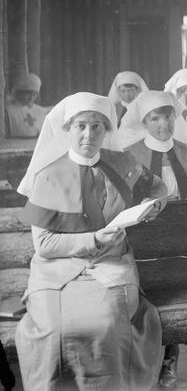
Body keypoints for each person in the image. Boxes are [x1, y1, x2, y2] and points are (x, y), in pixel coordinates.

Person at [14, 92, 167, 390]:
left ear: (107, 130)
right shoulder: (47, 175)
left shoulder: (123, 163)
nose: (89, 134)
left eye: (98, 126)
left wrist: (153, 206)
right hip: (55, 271)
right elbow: (45, 245)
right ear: (67, 129)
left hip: (111, 261)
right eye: (81, 126)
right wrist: (94, 238)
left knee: (109, 323)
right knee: (56, 329)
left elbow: (157, 187)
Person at [116, 90, 187, 388]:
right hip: (142, 240)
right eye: (155, 117)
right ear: (144, 121)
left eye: (168, 115)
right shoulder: (129, 154)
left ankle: (171, 355)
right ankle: (143, 361)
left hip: (185, 237)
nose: (163, 123)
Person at [5, 73, 49, 138]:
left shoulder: (40, 111)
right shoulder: (8, 112)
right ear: (18, 92)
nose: (31, 98)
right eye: (27, 94)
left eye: (34, 94)